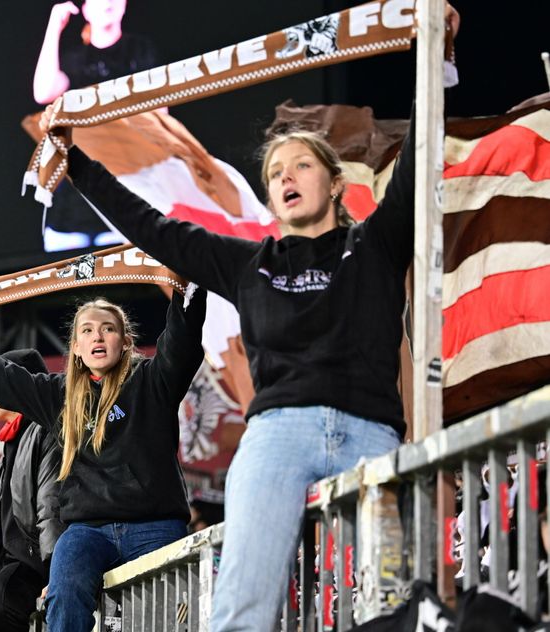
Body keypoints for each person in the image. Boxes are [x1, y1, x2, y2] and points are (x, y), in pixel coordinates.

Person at [37, 7, 460, 622]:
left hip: (370, 433)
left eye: (302, 167)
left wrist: (437, 59)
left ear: (335, 184)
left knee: (390, 596)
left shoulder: (374, 243)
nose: (286, 178)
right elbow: (150, 227)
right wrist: (76, 163)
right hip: (276, 438)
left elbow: (421, 161)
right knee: (243, 603)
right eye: (275, 173)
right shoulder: (246, 262)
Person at [0, 286, 206, 632]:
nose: (97, 335)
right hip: (88, 531)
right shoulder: (58, 395)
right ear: (76, 348)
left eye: (108, 328)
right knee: (64, 593)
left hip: (154, 525)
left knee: (164, 619)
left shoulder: (152, 381)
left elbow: (183, 342)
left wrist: (185, 289)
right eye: (86, 330)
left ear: (126, 341)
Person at [32, 0, 161, 251]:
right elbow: (43, 92)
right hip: (74, 202)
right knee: (70, 283)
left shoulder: (139, 51)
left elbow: (159, 114)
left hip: (125, 193)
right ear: (86, 8)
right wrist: (54, 26)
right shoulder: (75, 60)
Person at [0, 349, 65, 632]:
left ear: (20, 385)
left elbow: (51, 506)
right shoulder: (11, 442)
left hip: (36, 562)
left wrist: (56, 571)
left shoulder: (46, 430)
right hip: (17, 562)